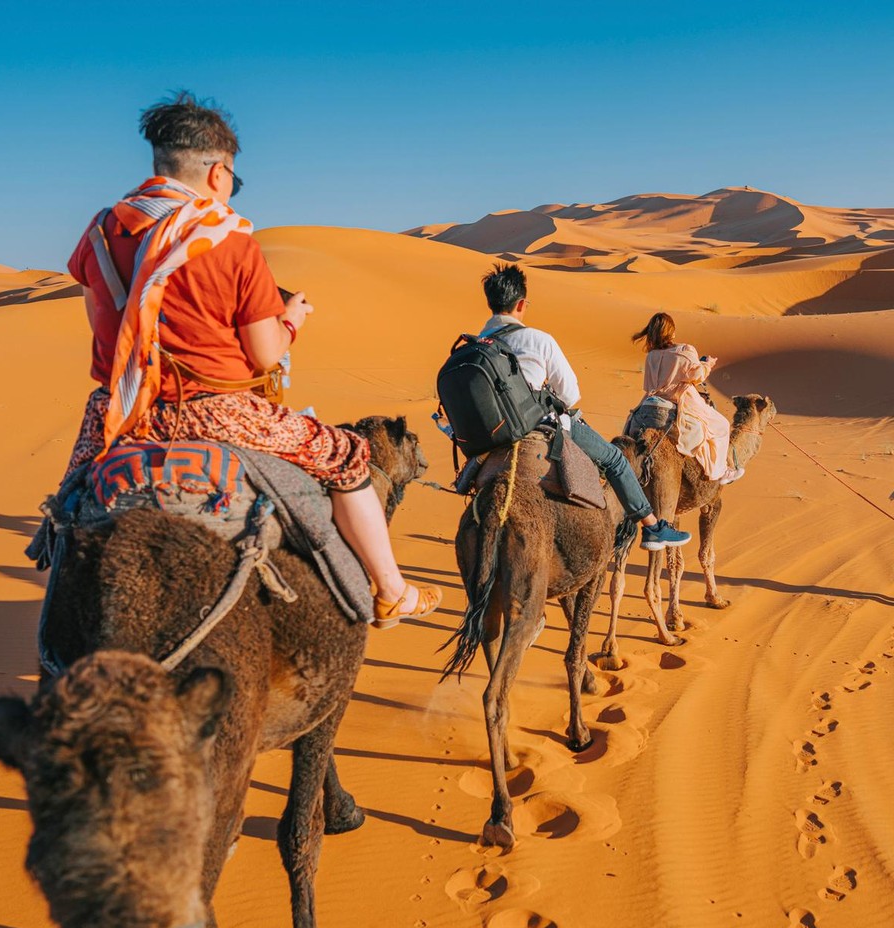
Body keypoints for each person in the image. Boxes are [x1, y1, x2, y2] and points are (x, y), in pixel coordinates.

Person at [64, 92, 440, 627]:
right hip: (217, 413)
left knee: (70, 504)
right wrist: (291, 320)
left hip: (120, 414)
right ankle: (391, 590)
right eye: (232, 179)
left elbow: (106, 328)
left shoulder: (101, 234)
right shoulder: (227, 240)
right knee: (349, 457)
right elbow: (266, 354)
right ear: (217, 173)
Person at [478, 264, 691, 551]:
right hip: (541, 426)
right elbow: (570, 394)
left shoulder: (476, 344)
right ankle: (653, 527)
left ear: (491, 302)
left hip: (491, 434)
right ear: (520, 304)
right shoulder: (538, 340)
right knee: (615, 460)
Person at [632, 313, 742, 484]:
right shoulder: (684, 351)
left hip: (650, 402)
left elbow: (648, 386)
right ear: (672, 332)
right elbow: (697, 376)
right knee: (722, 426)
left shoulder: (651, 356)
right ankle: (720, 472)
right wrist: (707, 364)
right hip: (678, 402)